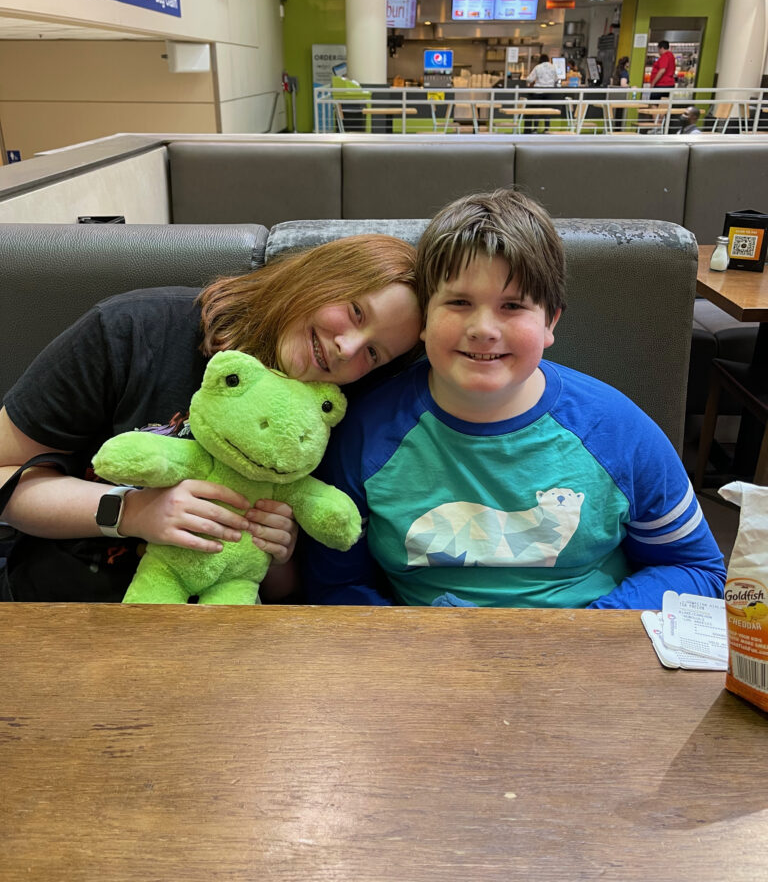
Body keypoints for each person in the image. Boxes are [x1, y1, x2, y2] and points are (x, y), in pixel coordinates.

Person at [302, 189, 726, 609]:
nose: (484, 328)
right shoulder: (365, 432)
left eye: (512, 305)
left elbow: (698, 569)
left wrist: (584, 634)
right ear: (424, 319)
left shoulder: (617, 431)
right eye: (459, 302)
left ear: (549, 322)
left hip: (585, 656)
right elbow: (334, 585)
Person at [0, 234, 422, 602]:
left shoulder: (336, 414)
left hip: (222, 630)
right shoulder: (134, 329)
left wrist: (276, 550)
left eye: (373, 353)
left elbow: (282, 589)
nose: (347, 348)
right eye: (355, 312)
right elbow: (5, 471)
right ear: (318, 276)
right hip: (61, 607)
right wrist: (130, 512)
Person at [524, 53, 561, 133]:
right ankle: (546, 129)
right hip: (549, 91)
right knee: (547, 110)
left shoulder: (538, 67)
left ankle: (536, 129)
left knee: (537, 110)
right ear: (548, 59)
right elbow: (556, 79)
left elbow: (529, 79)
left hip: (538, 91)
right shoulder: (553, 67)